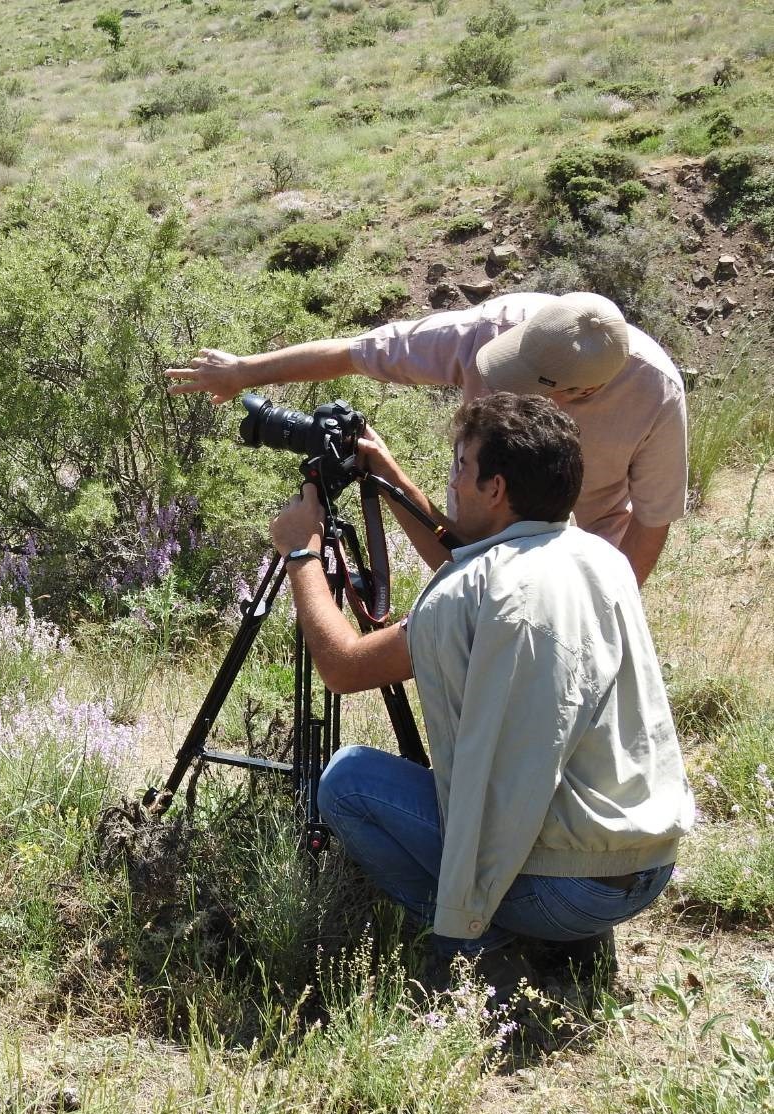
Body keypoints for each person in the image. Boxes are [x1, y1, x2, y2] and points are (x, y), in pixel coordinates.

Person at [268, 393, 694, 978]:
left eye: (458, 467)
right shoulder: (602, 559)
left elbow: (342, 666)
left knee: (347, 783)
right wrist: (386, 470)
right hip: (645, 867)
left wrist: (300, 552)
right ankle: (572, 944)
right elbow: (470, 557)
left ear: (494, 489)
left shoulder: (466, 596)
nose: (450, 482)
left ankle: (483, 955)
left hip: (562, 889)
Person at [167, 292, 687, 585]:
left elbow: (650, 521)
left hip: (591, 527)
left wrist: (615, 605)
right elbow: (357, 353)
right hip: (488, 503)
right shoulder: (487, 330)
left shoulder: (654, 395)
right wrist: (244, 373)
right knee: (468, 583)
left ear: (584, 391)